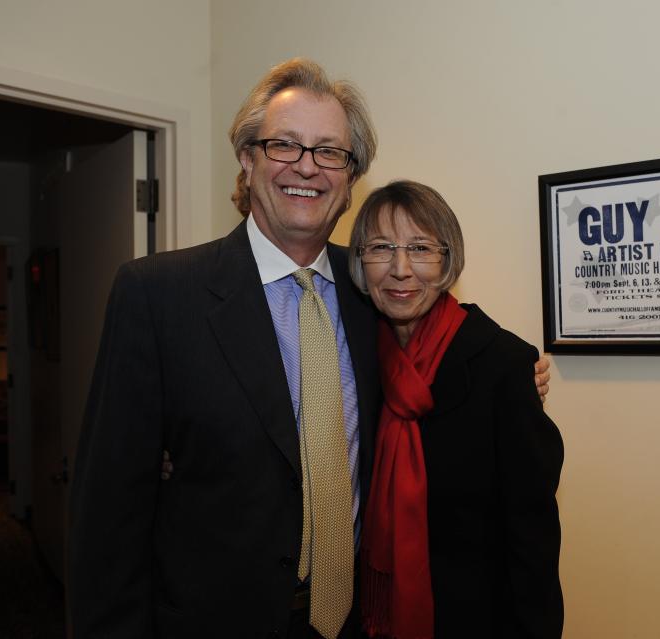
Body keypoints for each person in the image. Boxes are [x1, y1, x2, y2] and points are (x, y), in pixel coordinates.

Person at [68, 58, 551, 639]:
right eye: (285, 145)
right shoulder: (157, 295)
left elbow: (446, 338)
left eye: (330, 152)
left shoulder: (372, 284)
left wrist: (518, 371)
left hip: (357, 622)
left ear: (350, 179)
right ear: (247, 159)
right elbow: (108, 517)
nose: (308, 167)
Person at [349, 180, 564, 638]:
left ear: (448, 260)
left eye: (421, 248)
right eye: (382, 247)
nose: (401, 269)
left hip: (479, 618)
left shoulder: (502, 364)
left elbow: (533, 535)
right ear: (359, 261)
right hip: (368, 619)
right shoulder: (355, 354)